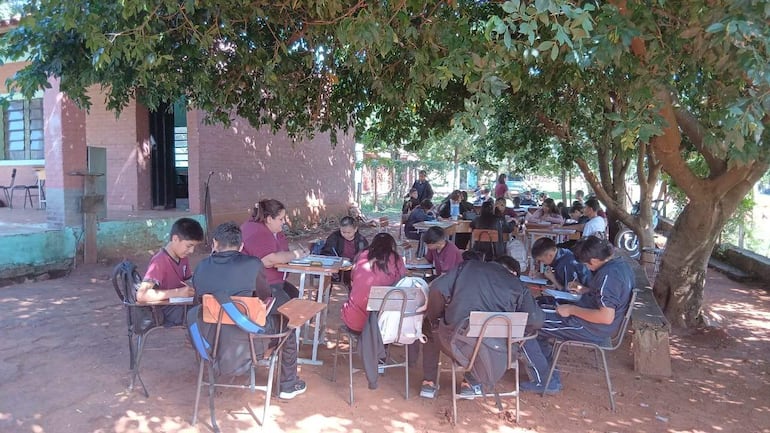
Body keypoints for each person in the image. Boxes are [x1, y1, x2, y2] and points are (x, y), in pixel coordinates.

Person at [192, 222, 307, 399]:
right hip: (250, 341)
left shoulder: (200, 267)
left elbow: (198, 301)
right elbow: (264, 295)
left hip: (210, 341)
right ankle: (287, 385)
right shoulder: (253, 264)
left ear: (214, 243)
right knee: (287, 326)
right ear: (242, 245)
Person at [419, 253, 543, 399]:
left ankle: (429, 383)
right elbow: (537, 320)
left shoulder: (467, 268)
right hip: (499, 353)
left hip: (455, 344)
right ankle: (470, 384)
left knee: (429, 327)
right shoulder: (518, 285)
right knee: (483, 338)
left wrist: (436, 318)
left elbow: (438, 288)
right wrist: (518, 337)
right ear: (514, 273)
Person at [520, 236, 633, 394]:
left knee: (526, 325)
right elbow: (603, 297)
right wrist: (584, 290)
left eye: (586, 264)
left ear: (593, 260)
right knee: (537, 315)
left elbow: (605, 317)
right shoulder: (620, 266)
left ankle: (546, 381)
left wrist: (571, 310)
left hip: (589, 327)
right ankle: (548, 373)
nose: (586, 267)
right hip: (590, 322)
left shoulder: (609, 276)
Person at [136, 217, 204, 326]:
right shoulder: (159, 262)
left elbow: (188, 281)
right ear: (175, 239)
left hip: (181, 304)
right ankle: (196, 341)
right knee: (207, 314)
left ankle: (194, 340)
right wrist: (178, 292)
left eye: (194, 247)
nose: (191, 251)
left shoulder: (182, 257)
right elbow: (141, 295)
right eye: (189, 246)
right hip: (166, 310)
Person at [241, 199, 306, 307]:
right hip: (259, 285)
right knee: (289, 308)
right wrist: (296, 254)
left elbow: (282, 251)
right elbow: (268, 260)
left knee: (297, 299)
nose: (283, 222)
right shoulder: (257, 231)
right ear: (270, 219)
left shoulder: (272, 230)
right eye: (281, 219)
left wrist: (289, 255)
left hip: (272, 281)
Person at [340, 233, 407, 333]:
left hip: (354, 322)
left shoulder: (361, 255)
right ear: (391, 246)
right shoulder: (396, 259)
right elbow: (402, 283)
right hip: (384, 326)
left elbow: (353, 280)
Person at [320, 216, 369, 286]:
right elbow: (326, 252)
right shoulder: (334, 237)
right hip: (336, 268)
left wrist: (353, 262)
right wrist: (338, 260)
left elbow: (365, 257)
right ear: (340, 228)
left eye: (349, 232)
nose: (346, 234)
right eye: (343, 232)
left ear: (355, 229)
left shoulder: (361, 240)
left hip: (353, 269)